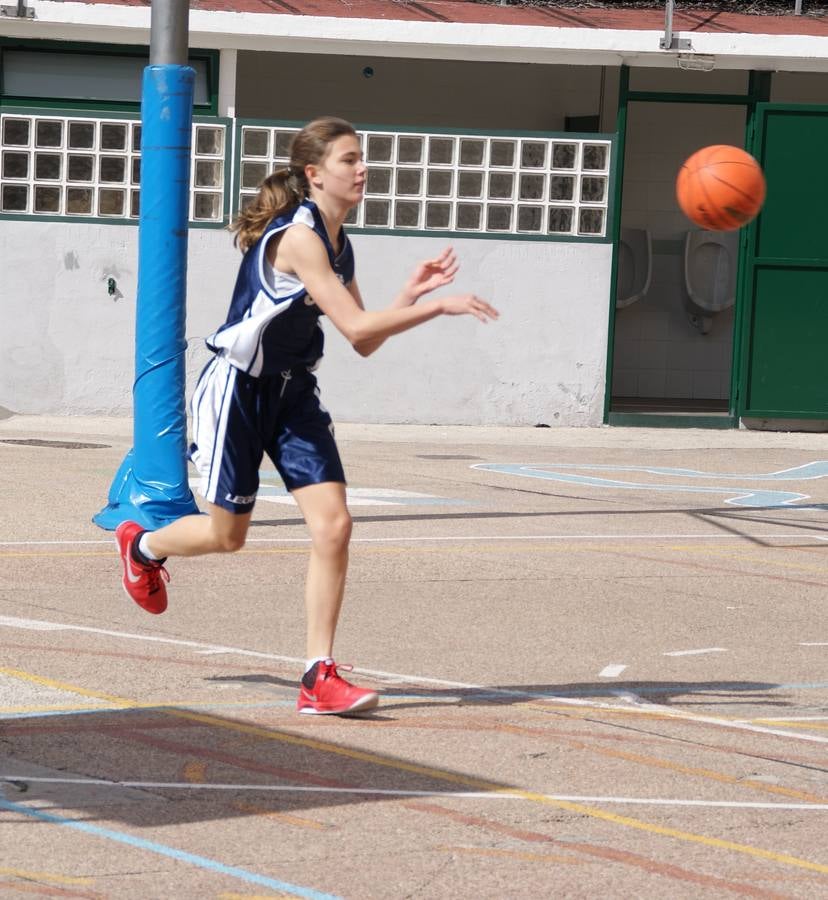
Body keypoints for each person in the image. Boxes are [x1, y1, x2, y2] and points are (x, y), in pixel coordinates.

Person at [115, 116, 498, 716]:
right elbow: (357, 327)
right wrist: (438, 307)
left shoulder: (340, 245)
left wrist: (409, 295)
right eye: (349, 160)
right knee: (227, 536)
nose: (362, 169)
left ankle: (318, 674)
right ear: (315, 174)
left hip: (294, 395)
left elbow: (363, 340)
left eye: (362, 158)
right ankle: (142, 548)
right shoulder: (299, 238)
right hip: (238, 390)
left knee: (335, 526)